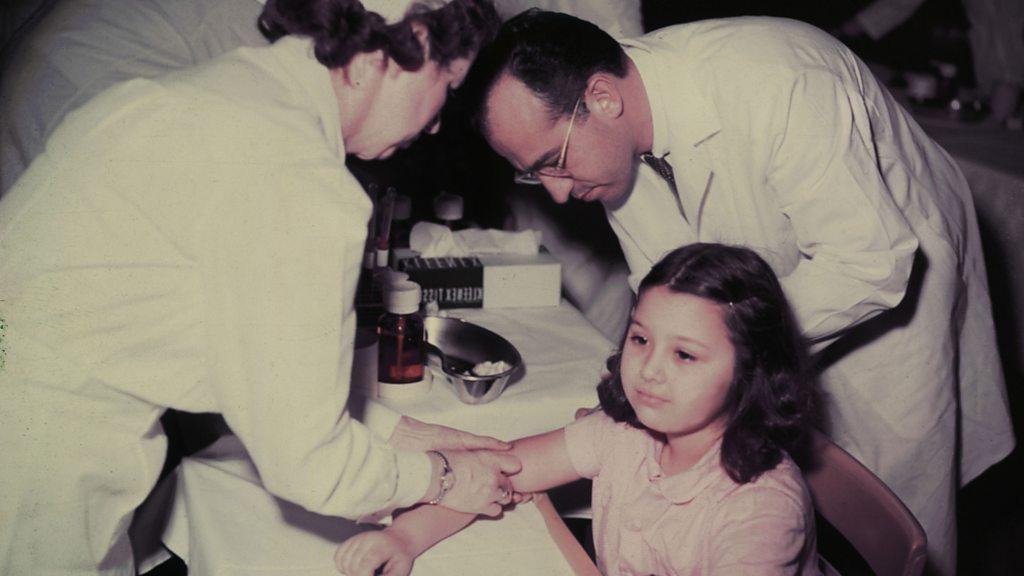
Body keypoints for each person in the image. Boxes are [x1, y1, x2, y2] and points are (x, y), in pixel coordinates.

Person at [461, 10, 1015, 575]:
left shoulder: (781, 80)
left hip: (887, 307)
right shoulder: (610, 137)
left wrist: (718, 342)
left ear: (602, 97)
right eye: (534, 173)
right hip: (764, 315)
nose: (555, 193)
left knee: (890, 518)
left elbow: (872, 264)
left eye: (554, 162)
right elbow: (664, 282)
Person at [0, 1, 526, 574]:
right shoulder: (299, 180)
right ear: (410, 45)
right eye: (448, 87)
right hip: (36, 476)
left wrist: (402, 431)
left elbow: (245, 363)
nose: (434, 124)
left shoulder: (220, 93)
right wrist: (446, 477)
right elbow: (311, 466)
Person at [334, 243, 821, 576]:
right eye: (640, 339)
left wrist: (555, 525)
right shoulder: (626, 432)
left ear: (751, 371)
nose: (648, 370)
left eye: (685, 355)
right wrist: (404, 538)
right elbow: (495, 472)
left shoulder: (761, 511)